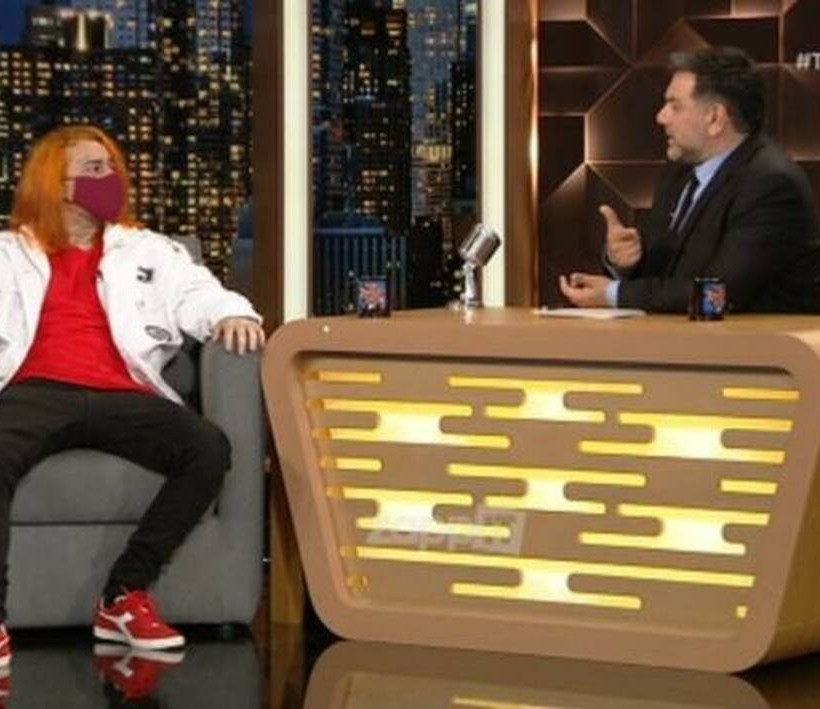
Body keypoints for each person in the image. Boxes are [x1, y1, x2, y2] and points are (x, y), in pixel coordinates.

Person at [0, 125, 265, 667]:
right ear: (54, 183)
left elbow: (199, 293)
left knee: (206, 447)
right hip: (34, 390)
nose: (110, 179)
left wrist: (232, 314)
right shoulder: (8, 254)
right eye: (93, 170)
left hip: (123, 391)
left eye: (112, 168)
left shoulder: (146, 250)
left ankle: (124, 595)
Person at [559, 46, 820, 313]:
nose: (661, 117)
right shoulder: (678, 173)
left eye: (675, 106)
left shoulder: (770, 184)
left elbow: (716, 295)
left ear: (715, 118)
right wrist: (625, 263)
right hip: (681, 336)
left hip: (760, 339)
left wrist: (613, 294)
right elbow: (665, 279)